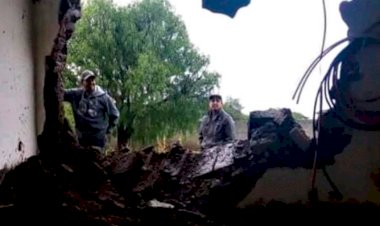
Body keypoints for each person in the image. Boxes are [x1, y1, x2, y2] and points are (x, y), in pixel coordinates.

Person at [64, 70, 119, 150]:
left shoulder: (103, 97)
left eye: (92, 80)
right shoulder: (75, 94)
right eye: (87, 80)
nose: (91, 83)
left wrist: (107, 131)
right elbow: (61, 93)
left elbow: (115, 115)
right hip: (82, 139)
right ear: (82, 82)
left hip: (97, 140)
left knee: (96, 160)